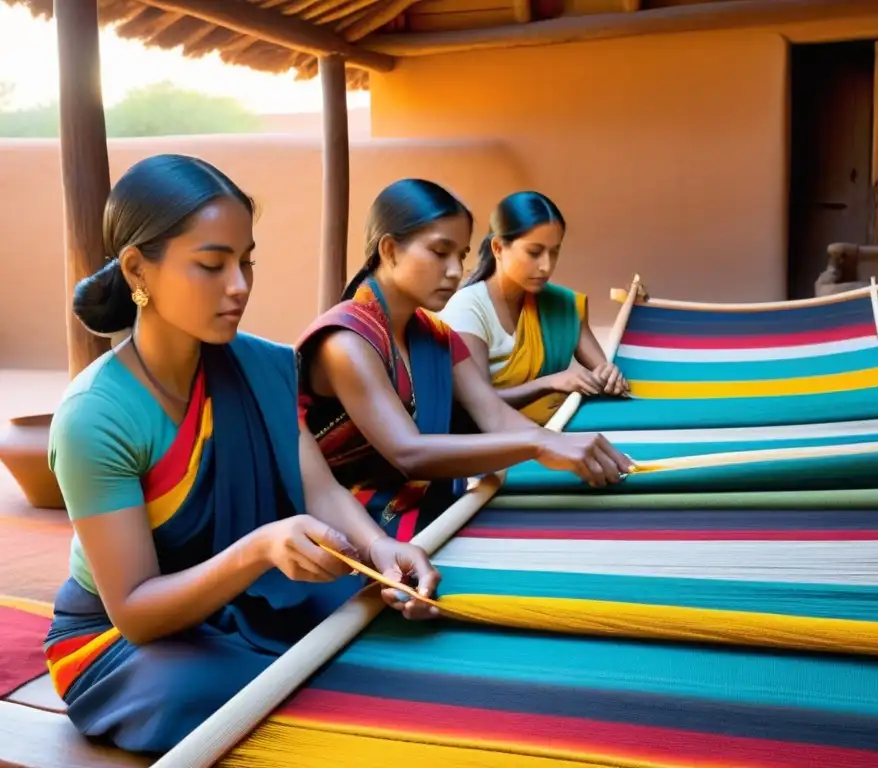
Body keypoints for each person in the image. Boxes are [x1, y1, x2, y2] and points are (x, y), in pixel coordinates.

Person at [43, 155, 439, 755]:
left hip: (245, 597)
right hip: (124, 638)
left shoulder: (259, 366)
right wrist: (259, 550)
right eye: (211, 264)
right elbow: (135, 612)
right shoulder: (97, 415)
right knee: (234, 698)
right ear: (136, 269)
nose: (240, 285)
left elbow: (319, 487)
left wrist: (380, 549)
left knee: (371, 623)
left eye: (246, 260)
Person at [296, 179, 632, 542]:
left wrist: (563, 444)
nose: (456, 271)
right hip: (341, 526)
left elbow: (493, 414)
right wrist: (539, 444)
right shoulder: (346, 341)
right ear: (390, 250)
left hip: (424, 508)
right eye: (440, 252)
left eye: (461, 254)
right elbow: (408, 452)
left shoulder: (436, 335)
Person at [438, 190, 629, 426]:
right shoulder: (468, 309)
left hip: (555, 432)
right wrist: (549, 383)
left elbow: (603, 372)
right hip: (490, 447)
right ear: (498, 248)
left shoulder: (563, 305)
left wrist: (610, 375)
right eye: (534, 253)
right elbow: (476, 403)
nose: (546, 266)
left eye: (554, 252)